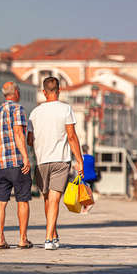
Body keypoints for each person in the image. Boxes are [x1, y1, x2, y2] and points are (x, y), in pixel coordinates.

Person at [27, 77, 84, 250]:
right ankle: (49, 237)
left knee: (48, 199)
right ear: (59, 91)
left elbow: (29, 140)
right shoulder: (66, 109)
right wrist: (79, 160)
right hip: (60, 159)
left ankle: (51, 235)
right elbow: (72, 136)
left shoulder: (35, 112)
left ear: (44, 92)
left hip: (42, 160)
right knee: (53, 200)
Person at [0, 81, 33, 249]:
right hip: (16, 162)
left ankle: (0, 239)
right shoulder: (18, 109)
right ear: (16, 92)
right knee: (22, 200)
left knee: (1, 201)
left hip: (0, 164)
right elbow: (18, 132)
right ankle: (22, 239)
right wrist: (25, 157)